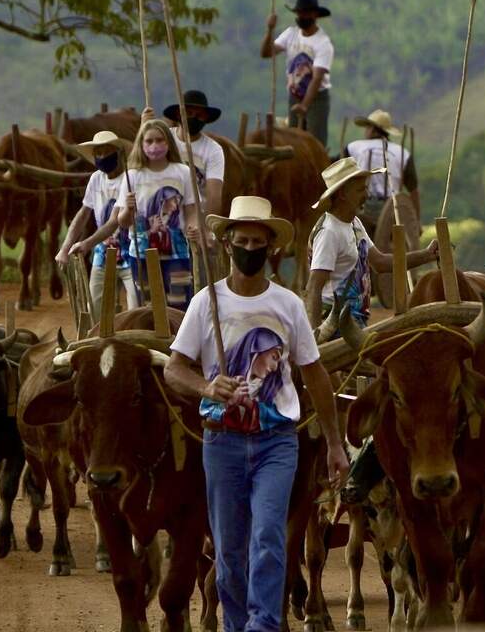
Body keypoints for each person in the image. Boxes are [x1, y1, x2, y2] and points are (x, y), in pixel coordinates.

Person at [164, 195, 349, 632]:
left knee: (267, 537)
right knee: (228, 548)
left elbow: (316, 374)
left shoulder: (288, 305)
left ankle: (263, 625)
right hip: (221, 440)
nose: (250, 248)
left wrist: (336, 444)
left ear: (271, 249)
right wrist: (206, 387)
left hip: (276, 442)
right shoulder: (205, 304)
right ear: (228, 245)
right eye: (242, 240)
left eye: (258, 242)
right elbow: (174, 368)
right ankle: (234, 624)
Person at [305, 157, 439, 332]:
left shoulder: (354, 223)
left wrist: (427, 255)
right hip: (333, 326)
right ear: (343, 194)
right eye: (361, 190)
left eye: (366, 188)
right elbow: (314, 286)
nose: (366, 195)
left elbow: (381, 262)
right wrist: (316, 337)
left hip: (354, 322)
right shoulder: (329, 232)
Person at [76, 118, 199, 310]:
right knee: (147, 309)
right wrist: (129, 209)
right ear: (141, 145)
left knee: (179, 305)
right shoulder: (132, 176)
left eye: (159, 140)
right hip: (141, 255)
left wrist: (194, 228)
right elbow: (122, 222)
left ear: (168, 142)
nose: (154, 146)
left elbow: (191, 211)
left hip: (177, 254)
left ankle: (177, 340)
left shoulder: (183, 172)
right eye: (149, 141)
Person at [54, 130, 138, 311]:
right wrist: (65, 248)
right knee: (94, 307)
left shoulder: (129, 179)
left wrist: (86, 244)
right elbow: (83, 214)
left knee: (136, 309)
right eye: (98, 153)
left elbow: (114, 221)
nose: (101, 156)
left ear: (118, 153)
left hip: (130, 251)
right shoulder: (96, 178)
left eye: (106, 152)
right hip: (103, 252)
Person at [346, 110, 422, 307]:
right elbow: (413, 189)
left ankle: (356, 292)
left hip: (362, 206)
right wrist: (416, 222)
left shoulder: (354, 147)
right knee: (390, 248)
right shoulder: (402, 153)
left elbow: (338, 174)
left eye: (366, 128)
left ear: (371, 129)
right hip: (393, 208)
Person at [260, 0, 334, 146]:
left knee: (315, 143)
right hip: (295, 95)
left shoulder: (323, 43)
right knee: (293, 141)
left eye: (305, 13)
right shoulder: (291, 33)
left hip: (316, 98)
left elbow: (317, 78)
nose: (301, 16)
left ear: (315, 15)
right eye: (299, 13)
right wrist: (269, 29)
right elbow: (266, 52)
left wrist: (305, 105)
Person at [162, 90, 227, 218]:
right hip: (163, 217)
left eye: (199, 115)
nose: (194, 118)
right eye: (189, 113)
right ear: (178, 114)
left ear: (206, 118)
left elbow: (214, 195)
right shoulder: (163, 138)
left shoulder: (213, 150)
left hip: (195, 220)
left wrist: (208, 229)